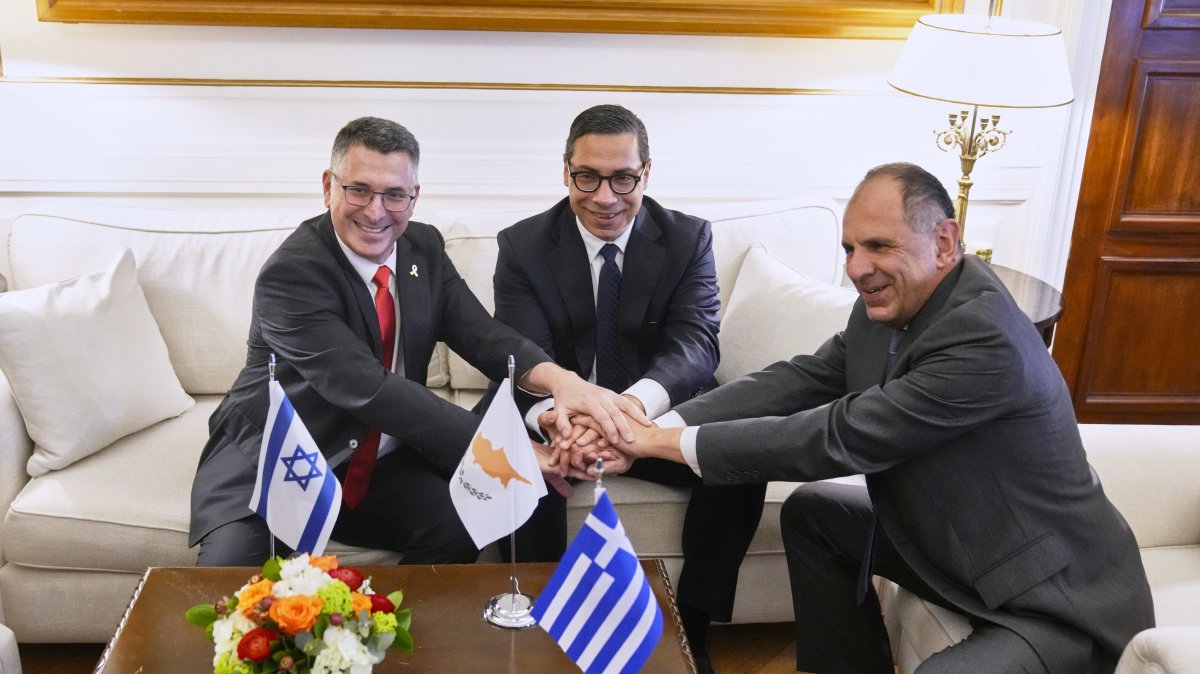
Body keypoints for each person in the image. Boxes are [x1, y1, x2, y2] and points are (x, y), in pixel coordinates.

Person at [591, 162, 1155, 672]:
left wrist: (661, 445)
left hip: (1048, 598)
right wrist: (654, 423)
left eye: (879, 246)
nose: (858, 269)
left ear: (945, 241)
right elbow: (802, 378)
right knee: (816, 515)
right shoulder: (892, 304)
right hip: (952, 547)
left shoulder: (984, 338)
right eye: (849, 248)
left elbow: (839, 436)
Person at [188, 116, 645, 566]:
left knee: (464, 520)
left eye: (394, 194)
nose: (375, 210)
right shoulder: (293, 274)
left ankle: (381, 631)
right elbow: (369, 388)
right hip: (279, 464)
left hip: (375, 465)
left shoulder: (421, 247)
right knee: (232, 589)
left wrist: (564, 383)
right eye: (359, 189)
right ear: (329, 186)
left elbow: (483, 336)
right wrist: (508, 451)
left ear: (414, 196)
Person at [487, 104, 765, 666]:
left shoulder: (687, 238)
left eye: (623, 179)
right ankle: (544, 632)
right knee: (514, 458)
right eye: (587, 177)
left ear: (646, 173)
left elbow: (695, 346)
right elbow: (523, 356)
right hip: (564, 424)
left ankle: (692, 632)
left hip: (655, 419)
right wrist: (560, 420)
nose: (605, 197)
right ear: (566, 171)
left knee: (741, 460)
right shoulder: (522, 246)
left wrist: (630, 414)